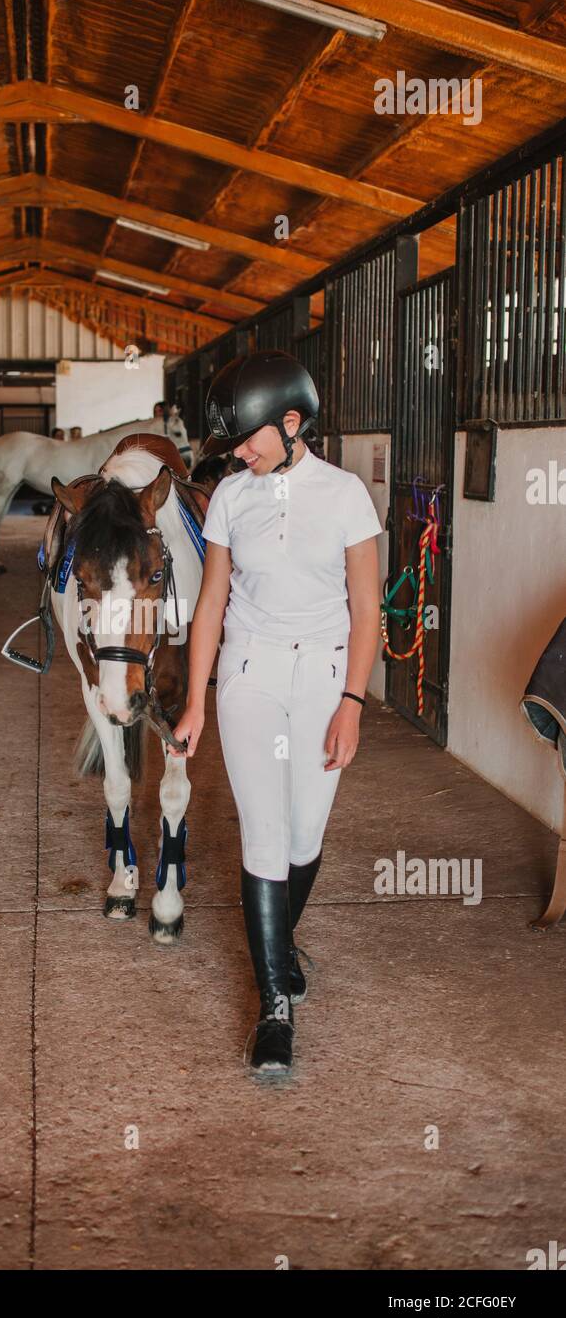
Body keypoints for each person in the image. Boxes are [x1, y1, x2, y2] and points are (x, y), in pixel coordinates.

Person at [170, 350, 384, 1078]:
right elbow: (210, 606)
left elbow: (365, 612)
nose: (238, 452)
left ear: (293, 423)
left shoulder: (349, 496)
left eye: (249, 438)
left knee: (303, 836)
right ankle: (274, 1009)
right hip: (251, 672)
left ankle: (277, 947)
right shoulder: (231, 496)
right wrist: (196, 700)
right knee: (262, 837)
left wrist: (352, 704)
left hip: (325, 675)